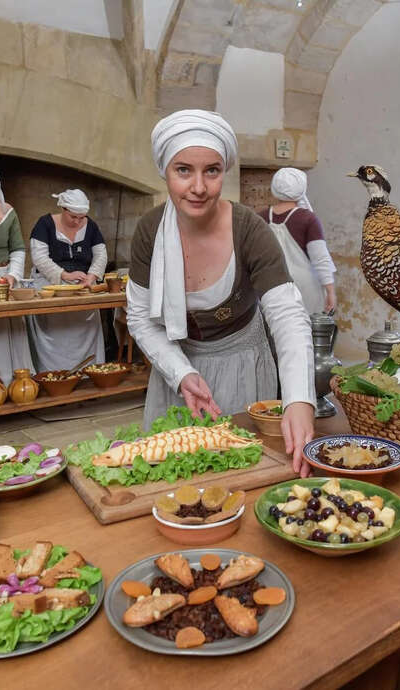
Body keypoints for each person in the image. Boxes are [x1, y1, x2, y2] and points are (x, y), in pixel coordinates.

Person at [126, 110, 317, 477]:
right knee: (171, 477)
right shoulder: (150, 231)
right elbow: (139, 317)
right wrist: (181, 373)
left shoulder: (249, 229)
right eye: (184, 170)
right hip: (177, 368)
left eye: (211, 171)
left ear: (223, 172)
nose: (198, 187)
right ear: (165, 170)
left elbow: (287, 315)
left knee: (238, 475)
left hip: (243, 365)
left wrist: (299, 400)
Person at [27, 189, 107, 372]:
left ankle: (88, 373)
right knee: (55, 333)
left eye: (82, 217)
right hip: (50, 286)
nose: (78, 222)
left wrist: (91, 277)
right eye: (73, 217)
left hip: (82, 288)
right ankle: (52, 375)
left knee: (84, 328)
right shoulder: (44, 224)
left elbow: (101, 255)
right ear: (63, 209)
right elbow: (39, 258)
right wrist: (64, 275)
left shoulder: (91, 226)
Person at [259, 167, 336, 315]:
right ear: (301, 188)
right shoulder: (308, 219)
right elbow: (320, 258)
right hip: (304, 290)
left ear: (275, 188)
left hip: (272, 286)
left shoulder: (260, 217)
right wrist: (330, 291)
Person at [0, 175, 34, 385]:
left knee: (11, 325)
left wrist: (13, 275)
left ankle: (17, 381)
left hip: (6, 279)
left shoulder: (9, 213)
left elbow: (18, 249)